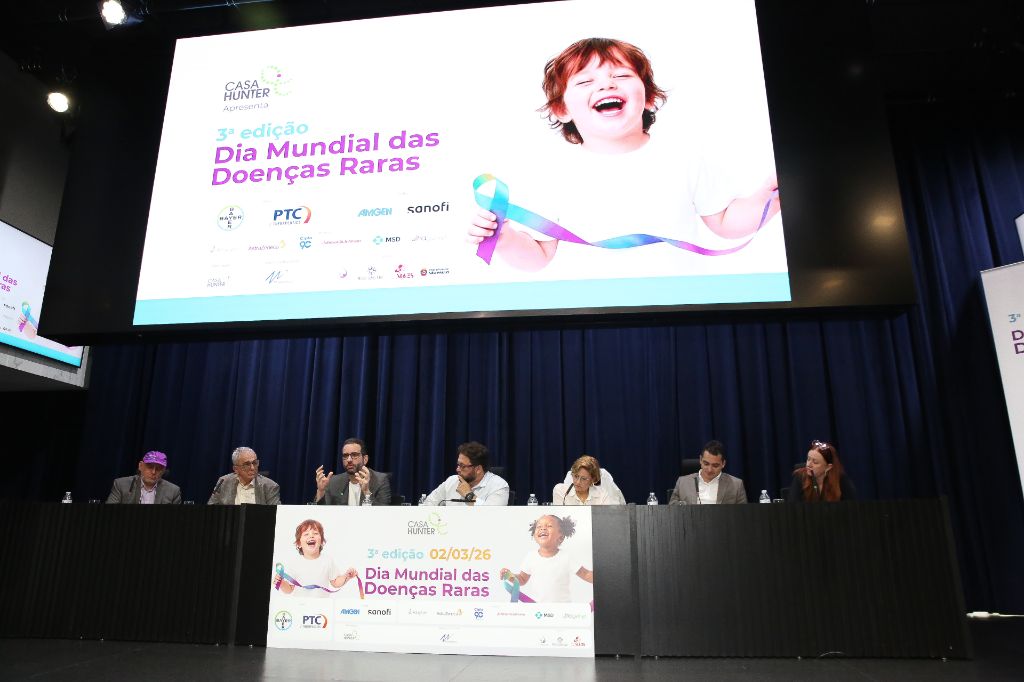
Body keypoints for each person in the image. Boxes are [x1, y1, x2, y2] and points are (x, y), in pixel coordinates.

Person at [468, 37, 780, 272]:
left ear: (649, 97)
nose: (606, 85)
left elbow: (726, 222)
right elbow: (537, 257)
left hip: (679, 303)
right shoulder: (553, 172)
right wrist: (503, 238)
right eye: (585, 81)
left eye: (621, 76)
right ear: (562, 109)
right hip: (588, 310)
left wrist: (773, 195)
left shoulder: (685, 158)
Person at [501, 514, 593, 603]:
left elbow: (585, 574)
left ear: (561, 537)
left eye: (549, 526)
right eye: (539, 526)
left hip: (563, 609)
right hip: (539, 610)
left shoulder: (566, 557)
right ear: (534, 535)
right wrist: (510, 576)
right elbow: (522, 579)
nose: (543, 528)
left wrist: (601, 577)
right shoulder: (531, 556)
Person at [272, 519, 358, 598]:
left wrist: (346, 576)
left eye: (315, 533)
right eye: (306, 534)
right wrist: (281, 583)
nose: (311, 536)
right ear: (299, 544)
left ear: (321, 542)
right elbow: (289, 590)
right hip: (300, 606)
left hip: (322, 606)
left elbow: (335, 583)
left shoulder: (327, 561)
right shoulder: (295, 563)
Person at [424, 441, 509, 506]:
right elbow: (428, 504)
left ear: (478, 469)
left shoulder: (499, 485)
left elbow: (493, 516)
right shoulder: (452, 481)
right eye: (458, 465)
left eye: (462, 466)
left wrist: (469, 495)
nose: (457, 469)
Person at [314, 438, 391, 505]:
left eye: (354, 455)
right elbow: (321, 513)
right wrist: (321, 491)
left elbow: (383, 513)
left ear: (365, 459)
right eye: (345, 456)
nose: (349, 460)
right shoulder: (333, 482)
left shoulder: (380, 481)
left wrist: (366, 492)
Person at [670, 440, 748, 505]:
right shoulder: (682, 482)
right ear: (700, 460)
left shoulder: (736, 485)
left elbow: (743, 514)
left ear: (723, 464)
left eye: (715, 465)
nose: (709, 470)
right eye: (706, 464)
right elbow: (671, 509)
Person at [786, 440, 857, 502]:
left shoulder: (840, 479)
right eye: (808, 459)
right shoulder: (800, 476)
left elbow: (851, 506)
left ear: (828, 467)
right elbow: (793, 507)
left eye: (815, 462)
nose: (808, 465)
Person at [207, 446, 281, 505]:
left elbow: (276, 514)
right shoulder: (223, 481)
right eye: (247, 464)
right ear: (236, 469)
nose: (252, 468)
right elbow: (211, 508)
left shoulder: (270, 486)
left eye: (254, 463)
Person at [106, 450, 182, 504]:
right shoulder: (121, 485)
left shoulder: (173, 491)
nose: (153, 472)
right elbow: (110, 512)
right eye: (150, 467)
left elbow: (175, 518)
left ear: (163, 471)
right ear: (140, 466)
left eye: (158, 469)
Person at [553, 455, 625, 505]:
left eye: (584, 479)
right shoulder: (561, 491)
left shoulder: (602, 495)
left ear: (593, 480)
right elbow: (557, 519)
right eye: (576, 476)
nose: (578, 482)